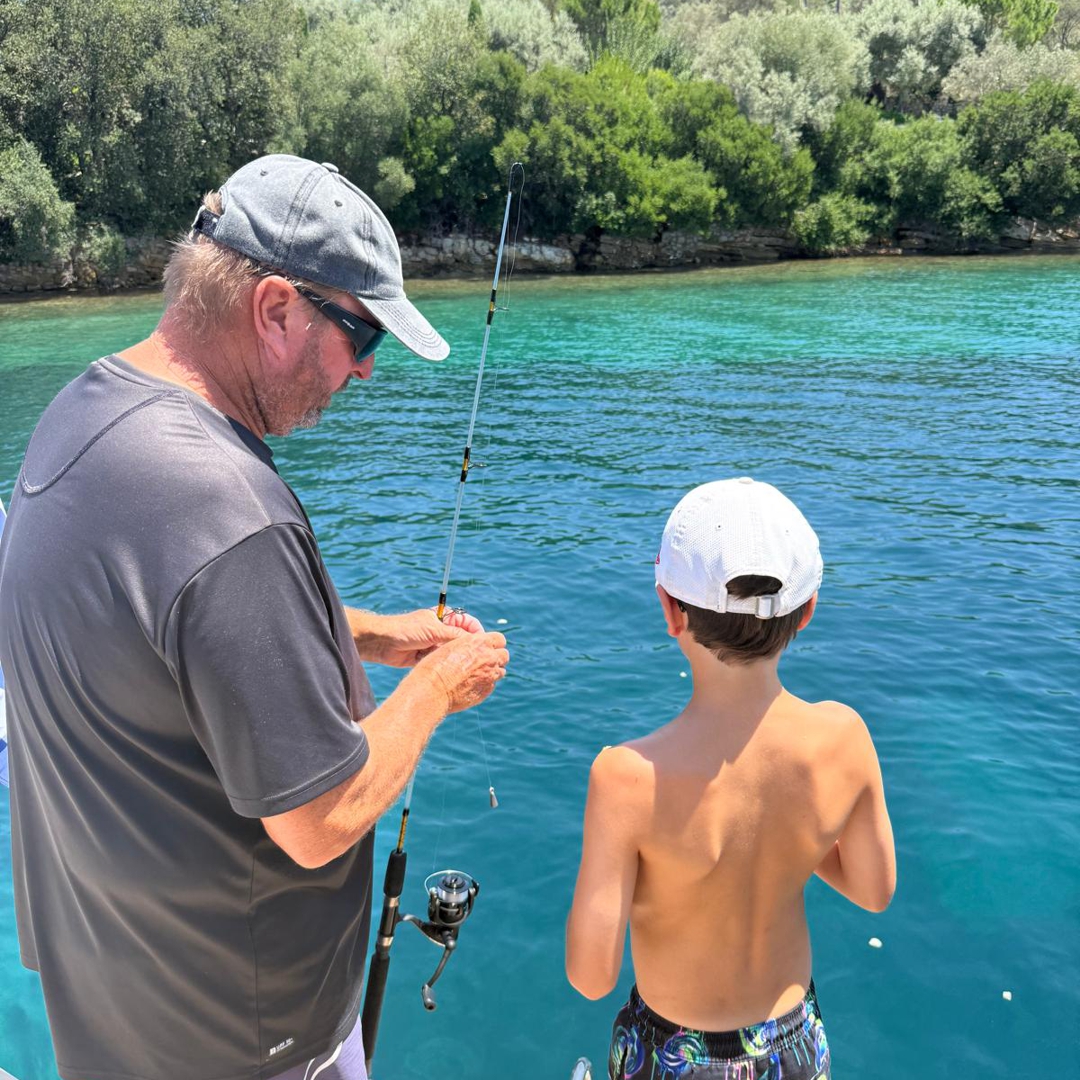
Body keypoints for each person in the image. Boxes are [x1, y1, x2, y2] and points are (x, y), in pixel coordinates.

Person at [0, 155, 509, 1080]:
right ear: (275, 308)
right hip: (240, 1039)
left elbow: (150, 622)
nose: (360, 374)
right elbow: (321, 817)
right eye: (364, 338)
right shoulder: (233, 511)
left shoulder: (83, 412)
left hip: (112, 1002)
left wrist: (370, 634)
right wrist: (436, 685)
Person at [566, 477, 895, 1080]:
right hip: (792, 1045)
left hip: (667, 1054)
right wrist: (797, 831)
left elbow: (592, 978)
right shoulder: (844, 739)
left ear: (670, 610)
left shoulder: (626, 779)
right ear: (807, 613)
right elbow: (874, 893)